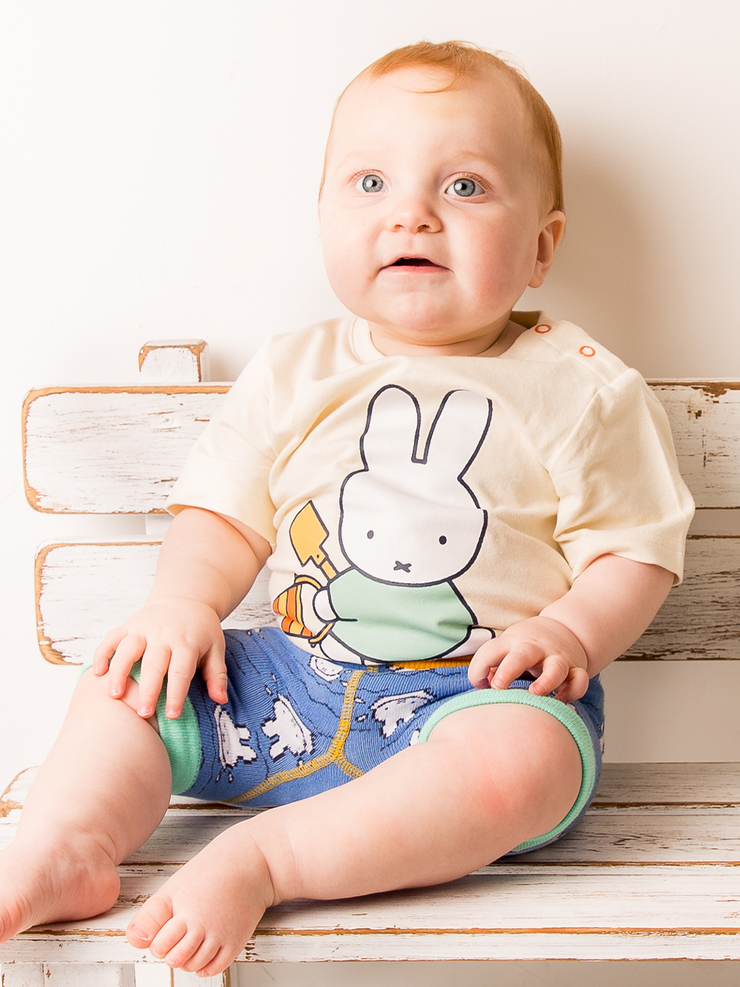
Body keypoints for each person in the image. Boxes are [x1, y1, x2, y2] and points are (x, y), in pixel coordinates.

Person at [0, 40, 694, 977]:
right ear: (323, 217)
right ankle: (67, 841)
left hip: (474, 700)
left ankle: (264, 860)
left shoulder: (582, 388)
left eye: (465, 186)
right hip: (289, 684)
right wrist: (182, 605)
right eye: (371, 182)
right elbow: (225, 512)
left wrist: (571, 632)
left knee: (528, 760)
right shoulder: (298, 371)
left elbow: (633, 549)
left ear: (542, 245)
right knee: (129, 674)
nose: (412, 213)